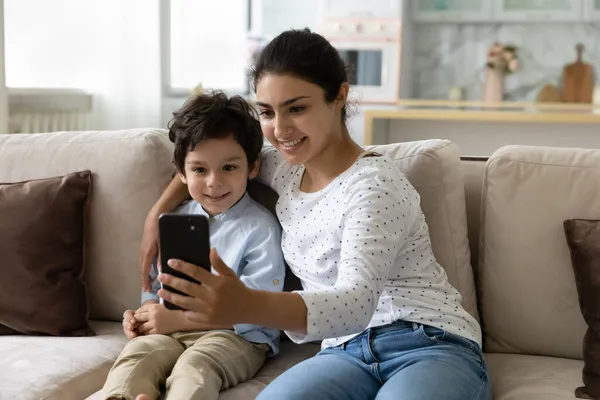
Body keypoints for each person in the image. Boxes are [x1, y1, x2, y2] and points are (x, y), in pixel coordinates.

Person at [139, 28, 492, 399]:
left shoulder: (375, 186)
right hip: (343, 352)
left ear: (339, 96)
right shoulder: (286, 167)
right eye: (267, 112)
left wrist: (245, 303)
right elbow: (212, 162)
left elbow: (355, 302)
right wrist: (156, 214)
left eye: (297, 108)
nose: (280, 130)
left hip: (427, 342)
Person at [103, 91, 285, 400]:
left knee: (194, 368)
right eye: (200, 169)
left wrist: (176, 318)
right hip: (171, 331)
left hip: (237, 337)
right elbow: (155, 291)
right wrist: (143, 315)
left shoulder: (261, 228)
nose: (214, 181)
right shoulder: (173, 222)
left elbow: (258, 310)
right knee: (137, 356)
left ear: (252, 168)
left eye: (229, 168)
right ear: (182, 173)